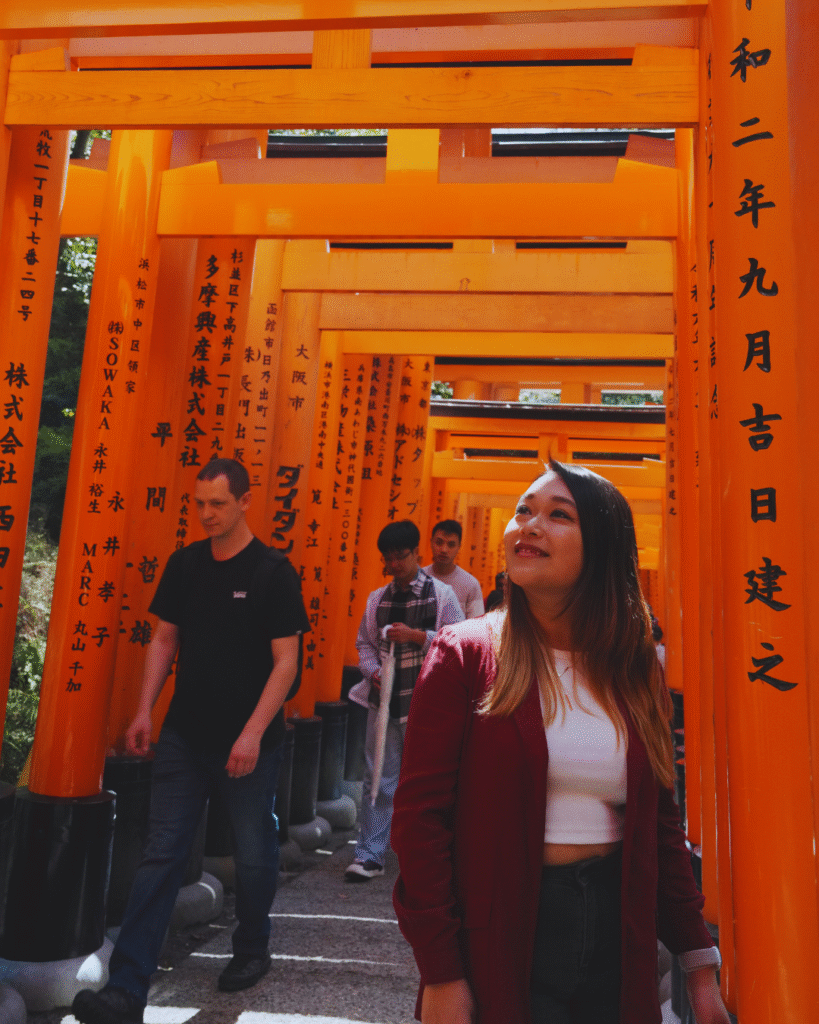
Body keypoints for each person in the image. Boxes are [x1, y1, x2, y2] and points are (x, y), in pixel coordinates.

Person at [391, 462, 730, 1024]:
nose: (529, 525)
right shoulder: (464, 655)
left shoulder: (632, 663)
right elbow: (418, 820)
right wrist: (442, 972)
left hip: (616, 928)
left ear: (601, 547)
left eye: (558, 515)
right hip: (505, 925)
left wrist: (698, 964)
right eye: (524, 511)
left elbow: (659, 821)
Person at [73, 459, 310, 1024]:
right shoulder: (184, 565)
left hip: (251, 741)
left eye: (218, 504)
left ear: (246, 501)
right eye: (199, 503)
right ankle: (128, 989)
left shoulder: (274, 572)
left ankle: (252, 947)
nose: (206, 514)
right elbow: (163, 640)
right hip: (185, 734)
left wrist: (252, 734)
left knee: (254, 851)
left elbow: (287, 662)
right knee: (161, 853)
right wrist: (143, 711)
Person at [345, 519, 464, 882]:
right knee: (378, 776)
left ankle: (427, 855)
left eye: (401, 556)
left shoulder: (442, 595)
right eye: (389, 558)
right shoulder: (377, 599)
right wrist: (372, 672)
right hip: (385, 702)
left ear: (416, 553)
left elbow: (460, 642)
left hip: (428, 705)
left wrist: (417, 636)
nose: (395, 564)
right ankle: (370, 854)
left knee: (430, 781)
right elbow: (364, 644)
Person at [422, 519, 485, 619]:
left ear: (459, 547)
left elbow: (476, 626)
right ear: (431, 542)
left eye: (451, 545)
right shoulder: (419, 578)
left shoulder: (471, 584)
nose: (444, 550)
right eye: (439, 543)